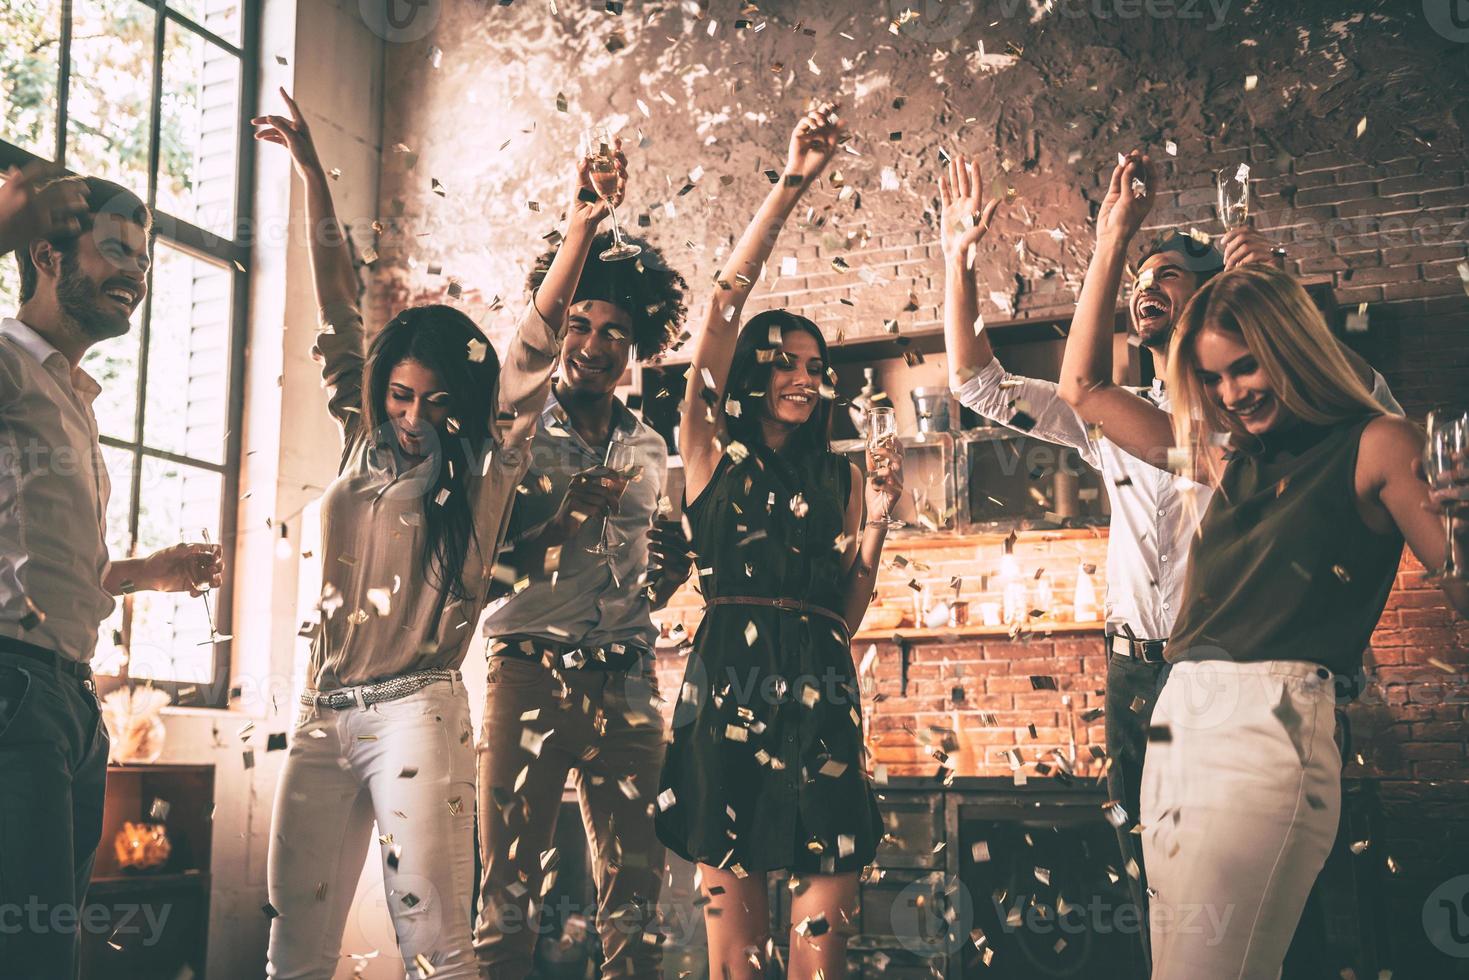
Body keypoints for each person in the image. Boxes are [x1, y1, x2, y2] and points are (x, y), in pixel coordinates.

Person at [936, 151, 1400, 973]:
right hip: (1137, 682)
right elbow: (978, 385)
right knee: (1157, 896)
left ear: (1216, 296)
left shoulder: (1255, 427)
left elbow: (1372, 428)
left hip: (1253, 687)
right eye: (1138, 277)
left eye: (1172, 273)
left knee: (1270, 905)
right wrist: (963, 259)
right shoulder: (1113, 419)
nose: (1147, 284)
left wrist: (1283, 309)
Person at [1056, 151, 1469, 980]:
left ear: (1289, 347)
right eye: (1213, 377)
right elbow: (1083, 386)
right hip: (1176, 720)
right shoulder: (1223, 456)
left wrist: (1459, 530)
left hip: (1271, 726)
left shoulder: (1375, 443)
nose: (1234, 391)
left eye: (1246, 365)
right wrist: (1109, 242)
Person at [251, 90, 615, 979]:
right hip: (317, 710)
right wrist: (309, 173)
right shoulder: (359, 436)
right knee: (293, 945)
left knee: (438, 949)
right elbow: (336, 296)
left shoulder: (485, 461)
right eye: (400, 396)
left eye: (434, 401)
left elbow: (530, 347)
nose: (413, 417)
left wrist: (578, 235)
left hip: (415, 708)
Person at [653, 104, 903, 980]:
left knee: (819, 957)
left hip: (824, 691)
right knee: (735, 963)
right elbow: (722, 303)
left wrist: (877, 515)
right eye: (785, 361)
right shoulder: (706, 447)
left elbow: (848, 610)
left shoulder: (829, 477)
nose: (802, 377)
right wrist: (792, 182)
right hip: (727, 690)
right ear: (753, 371)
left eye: (813, 364)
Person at [0, 164, 223, 978]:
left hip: (66, 697)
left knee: (46, 944)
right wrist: (7, 218)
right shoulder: (6, 364)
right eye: (115, 251)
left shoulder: (71, 395)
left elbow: (37, 567)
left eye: (145, 260)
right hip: (13, 689)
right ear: (50, 257)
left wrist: (141, 574)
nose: (135, 272)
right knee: (27, 954)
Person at [472, 230, 691, 978]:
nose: (594, 345)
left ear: (635, 347)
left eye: (614, 332)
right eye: (579, 325)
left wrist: (669, 575)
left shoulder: (650, 449)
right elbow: (479, 576)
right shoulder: (511, 431)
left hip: (629, 680)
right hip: (528, 675)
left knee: (638, 899)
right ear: (559, 329)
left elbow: (643, 579)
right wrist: (559, 522)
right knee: (508, 893)